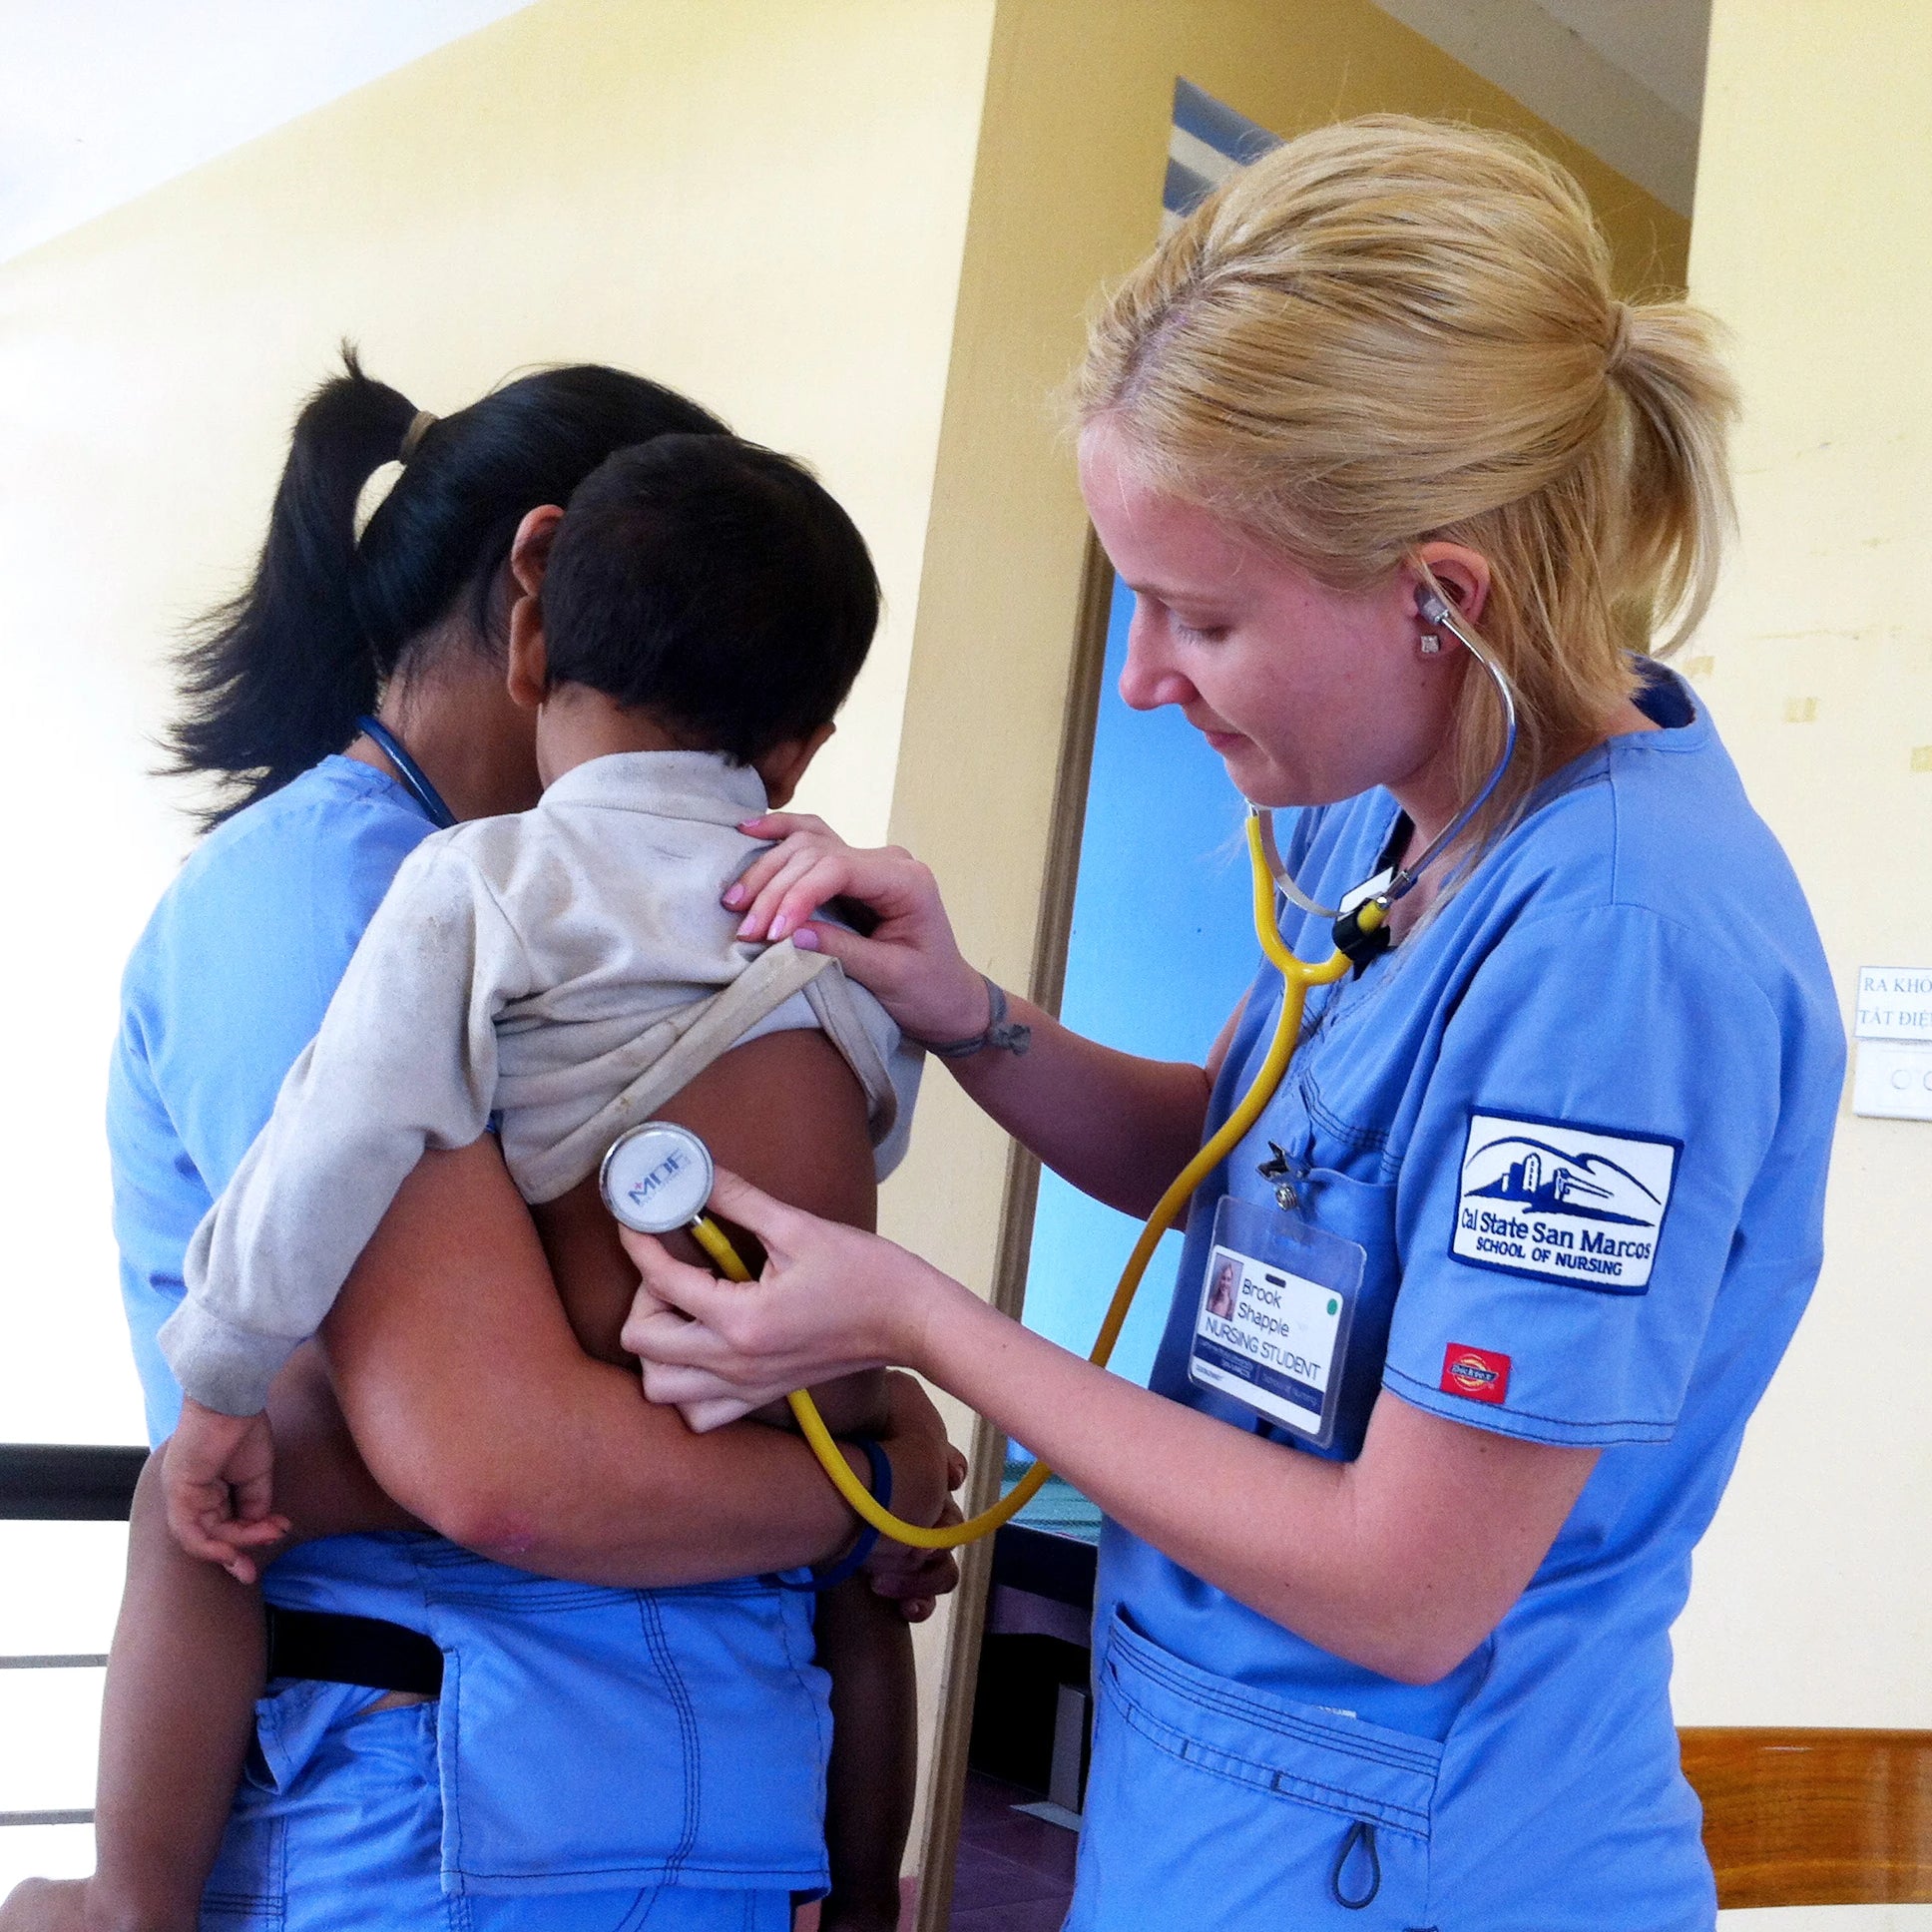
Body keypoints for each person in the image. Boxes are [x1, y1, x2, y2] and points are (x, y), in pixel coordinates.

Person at [621, 118, 1845, 1929]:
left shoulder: (1618, 948)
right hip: (1226, 1786)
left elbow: (1406, 1583)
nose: (1145, 675)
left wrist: (912, 1318)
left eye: (1200, 613)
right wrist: (971, 1018)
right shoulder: (1401, 804)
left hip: (1409, 1850)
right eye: (1135, 595)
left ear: (1445, 598)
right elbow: (1241, 1152)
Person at [2, 357, 959, 1932]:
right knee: (196, 1492)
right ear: (534, 585)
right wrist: (864, 1483)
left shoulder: (579, 897)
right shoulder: (344, 895)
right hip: (454, 1815)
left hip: (666, 1795)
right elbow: (501, 1462)